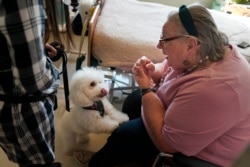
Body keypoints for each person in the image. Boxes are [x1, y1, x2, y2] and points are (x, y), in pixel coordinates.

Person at [73, 4, 250, 167]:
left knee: (125, 135)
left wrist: (147, 89)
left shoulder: (215, 88)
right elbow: (169, 67)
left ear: (190, 44)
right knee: (133, 102)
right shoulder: (206, 50)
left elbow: (167, 143)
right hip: (183, 111)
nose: (159, 45)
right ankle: (123, 157)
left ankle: (101, 161)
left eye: (165, 40)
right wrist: (152, 71)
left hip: (199, 151)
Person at [0, 0, 71, 166]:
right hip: (22, 109)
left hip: (7, 98)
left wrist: (35, 47)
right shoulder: (24, 2)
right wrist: (50, 71)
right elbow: (33, 82)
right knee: (37, 161)